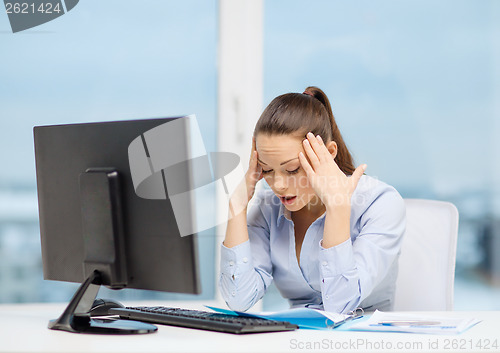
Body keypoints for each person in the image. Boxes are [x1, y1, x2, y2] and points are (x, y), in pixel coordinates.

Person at [219, 86, 406, 314]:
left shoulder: (379, 203)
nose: (278, 185)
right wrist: (236, 207)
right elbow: (239, 299)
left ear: (328, 152)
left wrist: (337, 207)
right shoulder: (268, 209)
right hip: (295, 338)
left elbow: (340, 306)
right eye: (267, 170)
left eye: (292, 169)